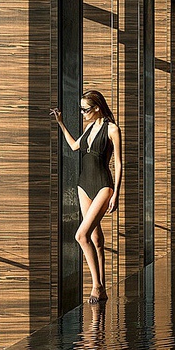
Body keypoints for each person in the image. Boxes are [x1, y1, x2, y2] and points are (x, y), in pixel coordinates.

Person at [50, 90, 123, 304]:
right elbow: (74, 146)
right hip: (84, 185)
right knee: (95, 238)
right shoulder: (89, 127)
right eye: (81, 109)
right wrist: (61, 124)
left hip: (103, 185)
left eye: (85, 109)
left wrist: (116, 193)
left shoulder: (112, 129)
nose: (82, 113)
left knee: (81, 235)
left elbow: (118, 163)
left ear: (97, 108)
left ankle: (96, 285)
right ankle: (103, 288)